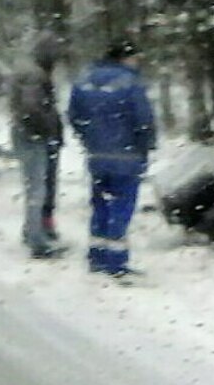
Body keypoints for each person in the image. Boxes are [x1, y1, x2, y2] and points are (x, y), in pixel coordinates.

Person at [67, 39, 156, 279]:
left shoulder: (85, 80)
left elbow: (74, 115)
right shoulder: (131, 82)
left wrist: (89, 139)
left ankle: (96, 256)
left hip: (96, 156)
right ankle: (116, 262)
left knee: (100, 204)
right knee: (121, 207)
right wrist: (146, 145)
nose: (138, 62)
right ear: (124, 58)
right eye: (135, 58)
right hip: (126, 155)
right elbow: (143, 119)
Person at [8, 33, 67, 259]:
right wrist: (47, 128)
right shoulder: (35, 75)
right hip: (33, 136)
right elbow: (32, 109)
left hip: (27, 134)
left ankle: (33, 230)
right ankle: (37, 240)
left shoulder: (29, 71)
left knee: (35, 186)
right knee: (37, 188)